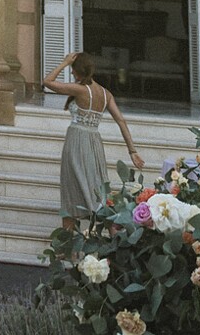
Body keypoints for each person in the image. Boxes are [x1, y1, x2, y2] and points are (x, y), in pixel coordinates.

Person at [42, 49, 143, 224]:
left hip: (77, 140)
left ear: (77, 69)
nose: (71, 72)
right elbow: (121, 121)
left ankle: (68, 246)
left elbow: (47, 82)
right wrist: (132, 150)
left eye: (72, 69)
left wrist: (65, 63)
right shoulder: (105, 94)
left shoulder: (80, 89)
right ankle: (106, 230)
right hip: (94, 142)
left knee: (72, 188)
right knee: (97, 186)